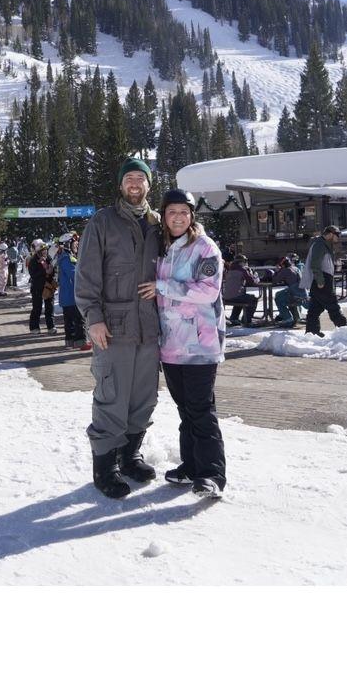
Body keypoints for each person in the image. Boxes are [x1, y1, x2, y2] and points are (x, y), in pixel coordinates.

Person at [74, 156, 162, 500]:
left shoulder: (158, 224)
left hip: (150, 328)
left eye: (141, 178)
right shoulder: (103, 222)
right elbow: (86, 275)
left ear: (149, 185)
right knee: (112, 396)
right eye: (129, 179)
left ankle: (130, 456)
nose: (135, 184)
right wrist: (92, 318)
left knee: (144, 397)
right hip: (113, 327)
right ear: (121, 184)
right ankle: (105, 467)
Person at [154, 187, 227, 497]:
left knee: (201, 409)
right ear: (163, 216)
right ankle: (191, 466)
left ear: (192, 215)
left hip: (200, 344)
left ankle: (212, 475)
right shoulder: (162, 248)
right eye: (172, 212)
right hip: (171, 345)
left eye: (184, 212)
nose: (178, 217)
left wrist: (161, 286)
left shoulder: (205, 248)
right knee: (185, 410)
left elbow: (208, 291)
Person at [302, 225, 347, 335]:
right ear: (331, 234)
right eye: (337, 235)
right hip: (322, 280)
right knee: (333, 305)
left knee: (315, 309)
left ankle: (312, 332)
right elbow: (315, 264)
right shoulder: (320, 244)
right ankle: (345, 329)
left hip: (322, 279)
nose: (338, 238)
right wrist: (320, 280)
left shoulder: (324, 244)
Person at [57, 232, 88, 349]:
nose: (77, 245)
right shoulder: (67, 258)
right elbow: (74, 274)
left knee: (70, 321)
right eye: (75, 243)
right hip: (71, 295)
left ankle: (70, 341)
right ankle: (80, 342)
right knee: (77, 320)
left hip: (68, 295)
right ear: (67, 244)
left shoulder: (66, 257)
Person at [26, 239, 56, 333]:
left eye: (46, 249)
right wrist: (44, 271)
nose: (45, 251)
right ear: (38, 251)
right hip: (37, 287)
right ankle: (34, 327)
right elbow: (33, 274)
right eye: (43, 250)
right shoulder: (33, 260)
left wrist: (51, 271)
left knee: (49, 308)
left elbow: (53, 270)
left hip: (48, 287)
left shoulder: (48, 258)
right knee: (37, 308)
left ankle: (51, 327)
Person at [222, 254, 259, 326]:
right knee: (253, 299)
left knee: (242, 297)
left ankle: (234, 318)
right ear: (241, 262)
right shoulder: (242, 270)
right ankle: (247, 320)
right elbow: (251, 281)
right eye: (245, 261)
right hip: (235, 296)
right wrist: (250, 272)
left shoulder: (230, 269)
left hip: (226, 296)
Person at [271, 256, 304, 326]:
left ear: (283, 265)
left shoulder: (286, 270)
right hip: (302, 293)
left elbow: (275, 280)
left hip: (294, 294)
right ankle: (288, 315)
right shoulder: (296, 268)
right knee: (280, 294)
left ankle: (287, 318)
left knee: (278, 298)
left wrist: (277, 271)